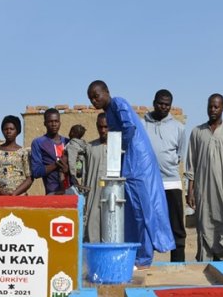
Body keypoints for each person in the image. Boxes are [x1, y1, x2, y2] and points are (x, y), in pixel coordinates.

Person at [87, 80, 174, 267]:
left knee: (142, 210)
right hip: (129, 162)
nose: (94, 101)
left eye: (96, 95)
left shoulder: (118, 103)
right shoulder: (108, 112)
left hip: (137, 162)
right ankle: (136, 253)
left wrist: (120, 148)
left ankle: (144, 257)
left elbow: (129, 127)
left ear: (107, 92)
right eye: (91, 98)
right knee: (131, 211)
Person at [185, 94, 223, 262]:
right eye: (210, 106)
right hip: (203, 192)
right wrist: (190, 192)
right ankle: (204, 270)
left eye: (216, 107)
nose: (212, 110)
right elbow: (192, 164)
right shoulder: (197, 132)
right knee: (204, 229)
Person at [143, 89, 189, 262]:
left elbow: (179, 155)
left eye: (167, 104)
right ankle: (144, 264)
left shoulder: (179, 128)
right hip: (149, 184)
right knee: (147, 224)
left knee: (176, 226)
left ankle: (178, 264)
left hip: (171, 183)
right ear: (154, 103)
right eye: (160, 103)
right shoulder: (142, 124)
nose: (163, 107)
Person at [0, 115, 33, 196]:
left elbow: (30, 178)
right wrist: (2, 193)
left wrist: (15, 194)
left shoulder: (24, 152)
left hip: (20, 197)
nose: (8, 131)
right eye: (5, 129)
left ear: (17, 131)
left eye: (12, 129)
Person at [81, 113, 109, 243]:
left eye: (106, 127)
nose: (103, 130)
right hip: (93, 194)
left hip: (112, 195)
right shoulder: (89, 148)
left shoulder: (120, 148)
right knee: (92, 228)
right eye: (100, 127)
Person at [30, 108, 69, 195]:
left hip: (71, 191)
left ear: (60, 123)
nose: (54, 124)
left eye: (56, 121)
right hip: (52, 193)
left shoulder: (68, 142)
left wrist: (68, 170)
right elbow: (36, 172)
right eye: (50, 121)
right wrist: (56, 164)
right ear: (45, 123)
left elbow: (78, 169)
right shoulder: (38, 143)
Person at [65, 124, 88, 193]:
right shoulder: (83, 144)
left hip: (76, 169)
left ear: (72, 132)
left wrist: (73, 175)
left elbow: (71, 161)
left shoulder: (72, 145)